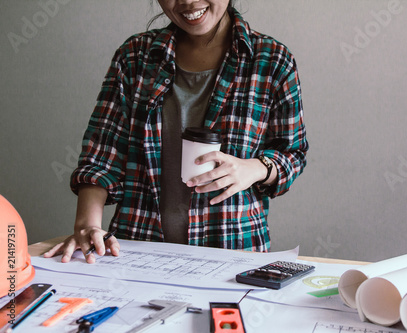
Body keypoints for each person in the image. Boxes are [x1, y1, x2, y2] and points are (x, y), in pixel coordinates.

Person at [44, 0, 308, 264]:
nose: (187, 1)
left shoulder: (273, 61)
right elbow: (101, 154)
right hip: (136, 251)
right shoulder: (134, 56)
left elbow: (293, 152)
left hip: (233, 252)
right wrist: (87, 225)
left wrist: (255, 168)